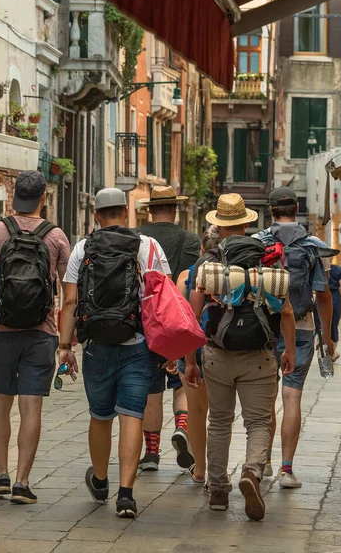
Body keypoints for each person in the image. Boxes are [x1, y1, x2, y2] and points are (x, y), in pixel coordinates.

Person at [0, 170, 71, 505]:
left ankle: (0, 475)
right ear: (43, 198)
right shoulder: (56, 237)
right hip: (42, 333)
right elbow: (70, 294)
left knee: (0, 401)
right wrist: (68, 339)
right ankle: (23, 482)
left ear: (14, 197)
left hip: (1, 330)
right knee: (31, 405)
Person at [59, 188, 171, 519]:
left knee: (100, 415)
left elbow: (68, 302)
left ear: (96, 215)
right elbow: (161, 296)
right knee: (132, 415)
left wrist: (65, 347)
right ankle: (126, 495)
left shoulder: (82, 248)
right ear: (126, 212)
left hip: (96, 347)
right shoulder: (147, 245)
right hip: (138, 344)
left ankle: (101, 480)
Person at [185, 193, 296, 521]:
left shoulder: (208, 261)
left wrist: (190, 361)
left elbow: (193, 317)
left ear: (218, 224)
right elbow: (286, 311)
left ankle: (218, 489)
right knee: (259, 421)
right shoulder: (269, 258)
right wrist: (289, 350)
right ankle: (251, 470)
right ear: (247, 223)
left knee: (219, 421)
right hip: (260, 355)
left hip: (217, 354)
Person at [254, 187, 334, 488]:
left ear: (270, 209)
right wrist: (327, 338)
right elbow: (324, 295)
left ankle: (265, 462)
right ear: (296, 207)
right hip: (301, 328)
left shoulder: (258, 242)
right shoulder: (314, 245)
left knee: (266, 398)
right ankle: (287, 470)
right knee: (292, 397)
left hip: (265, 328)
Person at [136, 185, 201, 472]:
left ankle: (151, 453)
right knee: (181, 384)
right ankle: (182, 428)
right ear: (175, 209)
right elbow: (189, 282)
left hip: (146, 321)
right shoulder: (190, 240)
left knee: (151, 391)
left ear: (150, 209)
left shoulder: (136, 238)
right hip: (178, 320)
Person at [175, 226, 221, 491]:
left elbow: (182, 319)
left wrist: (180, 357)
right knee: (220, 414)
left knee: (197, 411)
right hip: (222, 347)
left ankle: (201, 469)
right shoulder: (232, 272)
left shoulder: (187, 275)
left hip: (195, 350)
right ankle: (217, 473)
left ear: (202, 249)